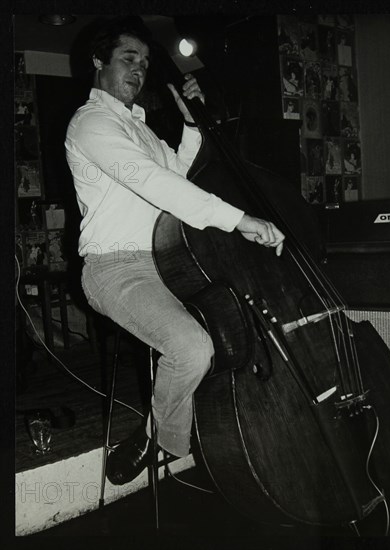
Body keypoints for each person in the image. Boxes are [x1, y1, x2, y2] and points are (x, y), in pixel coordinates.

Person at [65, 16, 284, 485]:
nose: (139, 71)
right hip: (117, 270)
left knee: (239, 328)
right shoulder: (91, 124)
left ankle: (226, 434)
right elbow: (155, 184)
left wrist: (190, 124)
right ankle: (154, 438)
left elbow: (178, 173)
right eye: (129, 59)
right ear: (98, 62)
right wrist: (239, 219)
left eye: (144, 63)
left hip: (169, 263)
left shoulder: (139, 127)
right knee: (190, 347)